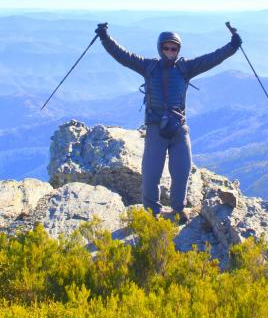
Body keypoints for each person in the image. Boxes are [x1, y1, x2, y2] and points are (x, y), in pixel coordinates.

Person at [95, 23, 242, 224]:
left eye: (174, 48)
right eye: (166, 48)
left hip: (179, 127)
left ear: (178, 50)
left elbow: (213, 58)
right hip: (155, 127)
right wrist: (105, 38)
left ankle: (178, 209)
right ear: (160, 48)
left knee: (182, 170)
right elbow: (122, 55)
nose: (170, 51)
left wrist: (232, 46)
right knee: (150, 174)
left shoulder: (186, 68)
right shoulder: (148, 66)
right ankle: (151, 212)